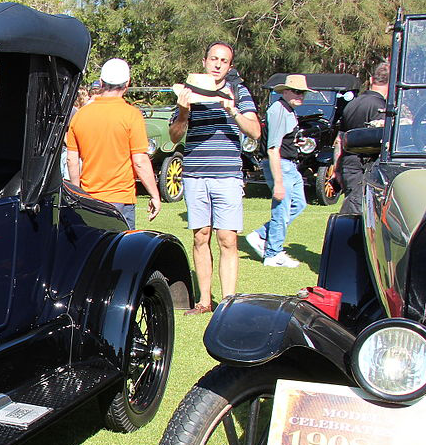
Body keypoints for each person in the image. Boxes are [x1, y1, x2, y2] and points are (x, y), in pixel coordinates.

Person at [169, 42, 263, 315]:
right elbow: (175, 136)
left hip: (227, 176)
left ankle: (228, 303)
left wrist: (232, 109)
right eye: (214, 58)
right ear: (204, 61)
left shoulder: (238, 92)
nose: (218, 64)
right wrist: (184, 111)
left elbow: (255, 132)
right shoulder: (189, 92)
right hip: (196, 174)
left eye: (224, 60)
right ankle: (204, 301)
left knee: (227, 239)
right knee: (201, 236)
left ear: (230, 66)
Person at [65, 58, 161, 228]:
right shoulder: (131, 115)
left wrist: (77, 193)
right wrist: (154, 194)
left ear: (101, 82)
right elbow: (140, 161)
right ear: (127, 84)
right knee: (120, 252)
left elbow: (72, 160)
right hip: (120, 200)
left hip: (89, 199)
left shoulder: (81, 115)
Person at [244, 74, 310, 267]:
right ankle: (273, 253)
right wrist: (279, 182)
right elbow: (273, 149)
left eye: (303, 93)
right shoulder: (279, 110)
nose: (301, 96)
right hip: (280, 164)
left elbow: (283, 140)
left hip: (289, 164)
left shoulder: (288, 110)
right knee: (281, 209)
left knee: (298, 204)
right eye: (297, 92)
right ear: (286, 91)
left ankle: (261, 235)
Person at [335, 61, 389, 216]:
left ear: (371, 80)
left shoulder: (352, 104)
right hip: (364, 167)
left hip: (349, 164)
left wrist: (337, 168)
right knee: (355, 212)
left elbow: (339, 139)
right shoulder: (381, 108)